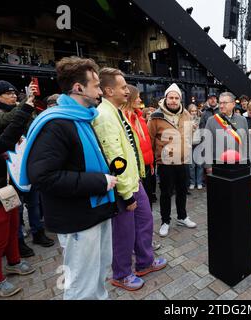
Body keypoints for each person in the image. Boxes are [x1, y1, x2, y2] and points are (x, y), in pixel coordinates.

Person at [20, 57, 119, 300]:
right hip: (78, 219)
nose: (100, 91)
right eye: (96, 86)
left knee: (98, 276)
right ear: (79, 88)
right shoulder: (56, 124)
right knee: (81, 287)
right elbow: (43, 176)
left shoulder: (81, 117)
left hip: (95, 212)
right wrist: (100, 182)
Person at [93, 68, 167, 291]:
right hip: (124, 185)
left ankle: (145, 262)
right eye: (123, 86)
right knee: (124, 232)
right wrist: (125, 193)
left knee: (144, 221)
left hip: (135, 180)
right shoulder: (105, 116)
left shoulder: (116, 112)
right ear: (109, 90)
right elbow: (116, 157)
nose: (128, 90)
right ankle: (122, 274)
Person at [0, 87, 37, 297]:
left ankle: (14, 262)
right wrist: (26, 108)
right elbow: (5, 140)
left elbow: (3, 142)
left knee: (12, 227)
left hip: (6, 190)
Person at [147, 83, 197, 237]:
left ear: (180, 100)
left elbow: (189, 136)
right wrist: (153, 160)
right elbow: (149, 139)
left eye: (176, 98)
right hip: (165, 162)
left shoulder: (186, 114)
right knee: (166, 193)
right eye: (171, 97)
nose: (173, 101)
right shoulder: (156, 116)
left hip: (182, 160)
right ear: (166, 98)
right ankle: (165, 221)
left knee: (182, 190)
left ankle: (182, 216)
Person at [122, 85, 155, 209]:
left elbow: (146, 144)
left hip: (146, 168)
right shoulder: (124, 120)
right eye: (137, 97)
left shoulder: (140, 118)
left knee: (148, 204)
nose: (140, 100)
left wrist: (150, 163)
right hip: (135, 170)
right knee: (140, 207)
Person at [204, 92, 249, 170]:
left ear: (233, 104)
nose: (221, 106)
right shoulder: (211, 120)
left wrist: (247, 161)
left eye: (224, 103)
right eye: (220, 103)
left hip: (238, 164)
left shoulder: (242, 120)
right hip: (218, 164)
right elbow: (206, 144)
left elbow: (246, 142)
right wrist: (208, 166)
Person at [187, 104, 203, 190]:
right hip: (190, 144)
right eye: (191, 111)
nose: (193, 113)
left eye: (195, 111)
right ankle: (192, 182)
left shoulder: (199, 119)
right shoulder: (186, 120)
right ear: (189, 112)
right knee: (191, 165)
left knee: (199, 164)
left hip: (199, 143)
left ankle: (199, 182)